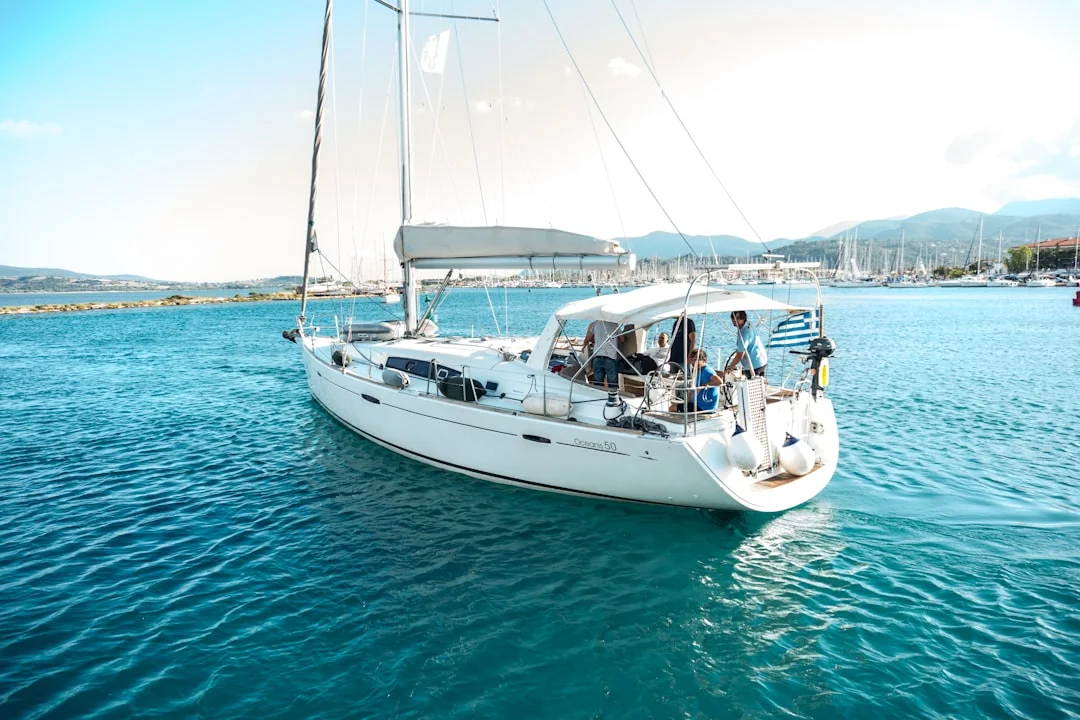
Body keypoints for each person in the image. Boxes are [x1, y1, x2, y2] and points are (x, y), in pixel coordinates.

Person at [669, 349, 722, 413]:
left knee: (672, 408)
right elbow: (692, 391)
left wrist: (703, 386)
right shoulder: (697, 371)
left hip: (704, 407)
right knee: (674, 405)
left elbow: (719, 381)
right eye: (692, 360)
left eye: (696, 360)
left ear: (704, 360)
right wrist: (686, 402)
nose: (694, 362)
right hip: (696, 404)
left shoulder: (707, 371)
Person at [723, 310, 768, 378]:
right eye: (732, 317)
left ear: (743, 319)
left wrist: (730, 368)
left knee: (753, 385)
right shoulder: (748, 324)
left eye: (737, 318)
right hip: (761, 359)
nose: (734, 320)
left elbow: (740, 355)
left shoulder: (744, 333)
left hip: (754, 364)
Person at [583, 318, 620, 389]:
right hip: (610, 357)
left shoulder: (595, 324)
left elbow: (588, 338)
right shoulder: (615, 324)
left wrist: (584, 346)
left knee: (598, 383)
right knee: (613, 384)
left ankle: (598, 397)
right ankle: (613, 398)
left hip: (597, 356)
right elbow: (622, 339)